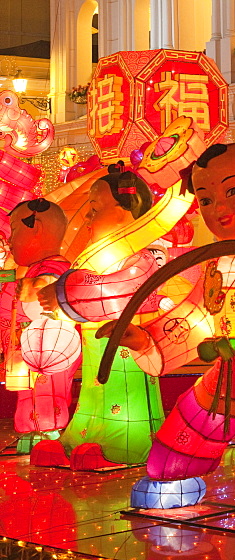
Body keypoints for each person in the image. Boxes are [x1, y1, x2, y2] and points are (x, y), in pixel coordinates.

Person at [103, 135, 235, 509]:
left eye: (233, 191)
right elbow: (195, 314)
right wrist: (143, 340)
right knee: (172, 453)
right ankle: (175, 486)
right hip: (232, 366)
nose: (220, 210)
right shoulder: (216, 261)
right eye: (207, 199)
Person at [33, 167, 167, 469]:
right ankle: (82, 436)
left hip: (130, 346)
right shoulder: (96, 257)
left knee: (121, 394)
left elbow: (112, 290)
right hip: (95, 341)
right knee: (92, 392)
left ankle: (125, 446)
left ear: (126, 211)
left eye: (94, 210)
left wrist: (64, 293)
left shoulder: (141, 259)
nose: (87, 219)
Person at [0, 199, 79, 452]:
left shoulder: (54, 266)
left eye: (14, 230)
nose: (10, 240)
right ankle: (32, 431)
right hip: (23, 347)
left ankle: (47, 431)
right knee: (27, 392)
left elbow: (53, 284)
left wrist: (35, 288)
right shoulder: (28, 268)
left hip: (46, 346)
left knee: (46, 390)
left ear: (37, 227)